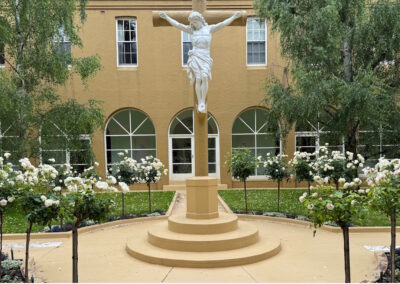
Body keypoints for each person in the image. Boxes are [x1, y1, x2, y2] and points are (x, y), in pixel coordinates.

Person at [160, 10, 242, 113]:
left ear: (200, 20)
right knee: (198, 78)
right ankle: (200, 102)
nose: (194, 25)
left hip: (205, 56)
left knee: (204, 77)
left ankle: (203, 101)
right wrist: (166, 17)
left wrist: (234, 16)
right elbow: (178, 25)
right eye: (192, 23)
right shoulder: (192, 30)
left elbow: (222, 24)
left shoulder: (209, 29)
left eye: (195, 22)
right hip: (196, 56)